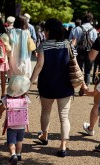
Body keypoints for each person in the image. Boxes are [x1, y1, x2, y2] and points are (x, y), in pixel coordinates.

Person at [30, 18, 74, 157]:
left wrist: (30, 82)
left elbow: (39, 66)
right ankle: (63, 146)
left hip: (47, 84)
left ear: (48, 31)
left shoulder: (43, 46)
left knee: (45, 112)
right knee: (64, 116)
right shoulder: (67, 44)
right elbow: (74, 63)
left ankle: (44, 136)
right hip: (65, 85)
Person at [0, 75, 31, 165]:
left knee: (11, 142)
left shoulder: (6, 99)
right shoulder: (25, 99)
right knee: (19, 141)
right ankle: (19, 153)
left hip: (11, 125)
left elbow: (1, 108)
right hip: (22, 124)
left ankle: (13, 155)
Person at [71, 11, 98, 86]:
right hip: (90, 52)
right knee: (88, 71)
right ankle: (86, 85)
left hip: (79, 51)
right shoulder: (93, 30)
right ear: (91, 20)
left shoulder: (77, 29)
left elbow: (73, 41)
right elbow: (95, 43)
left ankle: (80, 84)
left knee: (79, 69)